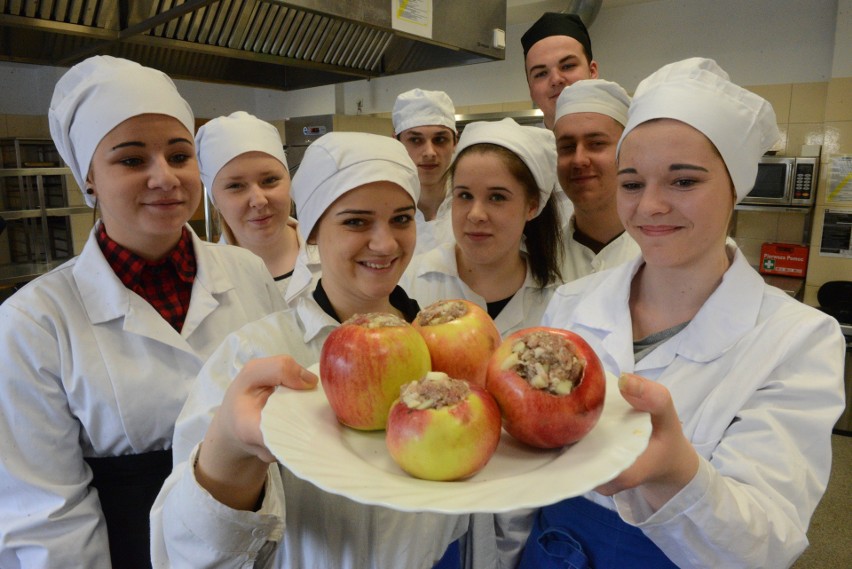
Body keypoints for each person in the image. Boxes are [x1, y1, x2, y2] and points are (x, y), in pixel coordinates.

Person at [518, 58, 846, 568]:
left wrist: (678, 475)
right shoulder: (571, 304)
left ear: (736, 187)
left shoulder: (797, 340)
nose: (650, 206)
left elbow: (766, 547)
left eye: (684, 182)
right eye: (631, 183)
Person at [0, 56, 285, 568]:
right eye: (132, 161)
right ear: (88, 177)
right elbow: (48, 520)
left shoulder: (247, 273)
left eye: (179, 155)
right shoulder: (34, 323)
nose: (165, 178)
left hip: (261, 545)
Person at [151, 131, 475, 568]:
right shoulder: (257, 354)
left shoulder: (447, 349)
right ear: (314, 231)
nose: (385, 244)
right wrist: (229, 450)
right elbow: (183, 547)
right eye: (356, 222)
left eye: (401, 219)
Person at [401, 117, 563, 337]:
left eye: (497, 197)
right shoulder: (409, 284)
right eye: (465, 195)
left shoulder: (558, 300)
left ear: (532, 206)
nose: (476, 214)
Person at [195, 111, 314, 303]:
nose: (259, 200)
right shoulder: (201, 282)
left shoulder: (332, 256)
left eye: (270, 180)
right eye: (236, 186)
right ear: (214, 199)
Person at [552, 79, 641, 281]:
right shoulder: (540, 260)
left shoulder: (667, 255)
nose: (579, 159)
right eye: (566, 147)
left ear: (628, 150)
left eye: (596, 144)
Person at [392, 88, 458, 253]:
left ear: (455, 142)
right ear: (396, 143)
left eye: (440, 139)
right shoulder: (383, 208)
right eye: (415, 140)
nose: (429, 152)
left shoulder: (472, 206)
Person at [521, 12, 598, 130]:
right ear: (531, 89)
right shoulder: (525, 147)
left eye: (567, 66)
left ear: (592, 71)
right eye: (541, 74)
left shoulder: (627, 141)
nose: (556, 79)